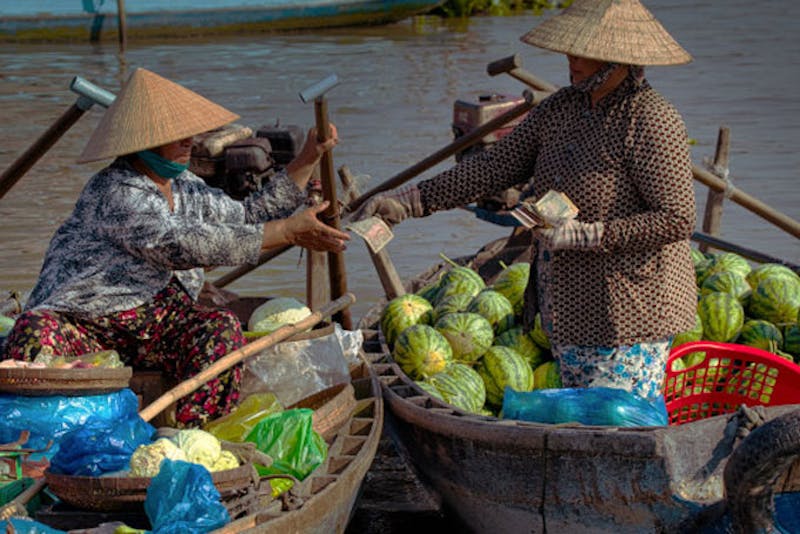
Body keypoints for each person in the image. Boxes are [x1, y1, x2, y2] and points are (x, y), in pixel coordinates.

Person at [353, 0, 698, 404]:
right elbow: (492, 167)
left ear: (617, 60)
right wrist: (411, 202)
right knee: (582, 423)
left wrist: (590, 235)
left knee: (617, 426)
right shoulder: (561, 109)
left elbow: (676, 218)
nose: (572, 60)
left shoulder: (651, 119)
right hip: (568, 305)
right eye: (571, 48)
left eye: (584, 52)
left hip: (629, 311)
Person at [3, 67, 350, 427]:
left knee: (219, 330)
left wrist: (309, 157)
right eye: (175, 135)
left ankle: (183, 435)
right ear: (144, 143)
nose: (189, 140)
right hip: (86, 321)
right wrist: (289, 232)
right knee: (32, 332)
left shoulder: (185, 185)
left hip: (156, 324)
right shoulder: (116, 190)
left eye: (189, 133)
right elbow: (180, 245)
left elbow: (249, 216)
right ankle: (32, 442)